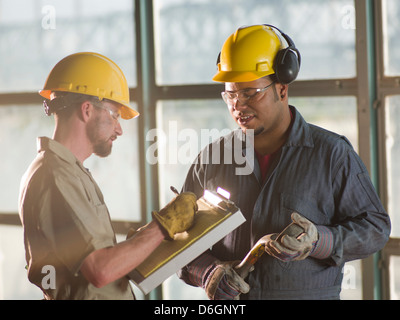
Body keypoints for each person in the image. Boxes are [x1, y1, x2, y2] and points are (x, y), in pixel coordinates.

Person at [178, 24, 391, 300]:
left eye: (250, 93)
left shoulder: (331, 154)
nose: (238, 106)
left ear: (282, 88)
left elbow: (375, 228)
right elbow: (178, 244)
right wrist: (207, 273)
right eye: (230, 94)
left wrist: (319, 241)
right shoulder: (212, 159)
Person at [18, 52, 197, 300]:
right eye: (114, 115)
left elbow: (95, 264)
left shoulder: (67, 170)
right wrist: (161, 227)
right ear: (87, 110)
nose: (119, 129)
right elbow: (101, 271)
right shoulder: (56, 176)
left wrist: (137, 245)